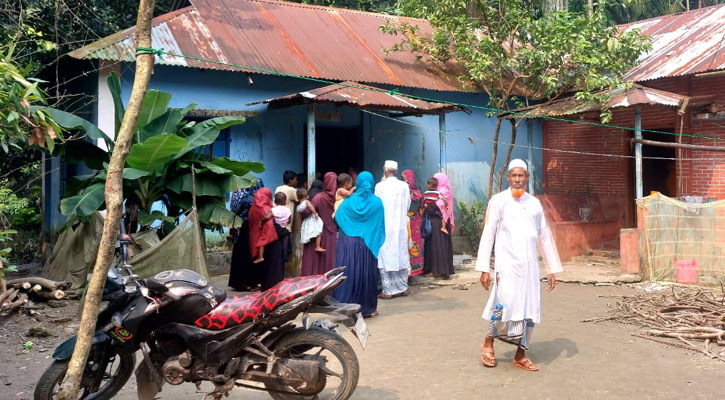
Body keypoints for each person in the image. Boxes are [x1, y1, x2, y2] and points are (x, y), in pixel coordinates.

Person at [476, 159, 563, 372]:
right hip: (506, 268)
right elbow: (488, 234)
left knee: (529, 310)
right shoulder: (498, 201)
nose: (517, 179)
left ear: (527, 178)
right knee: (503, 306)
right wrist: (484, 268)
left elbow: (545, 235)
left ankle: (520, 354)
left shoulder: (534, 203)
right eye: (513, 175)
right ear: (508, 178)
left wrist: (552, 268)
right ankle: (488, 342)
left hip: (530, 269)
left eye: (521, 175)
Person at [333, 171, 385, 318]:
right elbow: (379, 225)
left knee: (348, 273)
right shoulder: (377, 202)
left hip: (348, 243)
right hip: (367, 244)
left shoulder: (348, 202)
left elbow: (338, 217)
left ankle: (344, 308)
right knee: (367, 275)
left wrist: (351, 228)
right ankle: (368, 309)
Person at [374, 160, 411, 299]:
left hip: (385, 226)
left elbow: (377, 206)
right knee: (400, 254)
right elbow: (407, 204)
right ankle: (402, 287)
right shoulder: (404, 186)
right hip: (400, 226)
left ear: (385, 170)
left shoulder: (379, 186)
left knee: (385, 256)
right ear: (396, 171)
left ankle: (388, 290)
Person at [249, 188, 288, 291]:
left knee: (264, 267)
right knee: (274, 267)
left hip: (259, 241)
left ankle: (265, 288)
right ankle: (274, 290)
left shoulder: (253, 208)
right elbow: (272, 227)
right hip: (272, 241)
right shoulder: (266, 209)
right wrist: (285, 232)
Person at [228, 180, 264, 292]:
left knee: (239, 253)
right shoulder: (254, 194)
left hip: (239, 225)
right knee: (250, 253)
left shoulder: (236, 191)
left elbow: (233, 208)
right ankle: (251, 283)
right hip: (250, 225)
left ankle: (238, 283)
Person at [300, 172, 338, 276]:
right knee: (329, 260)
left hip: (317, 232)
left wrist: (300, 211)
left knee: (315, 260)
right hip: (331, 233)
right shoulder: (338, 198)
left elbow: (307, 211)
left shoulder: (319, 197)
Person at [423, 173, 455, 279]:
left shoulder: (443, 191)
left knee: (438, 246)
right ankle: (442, 269)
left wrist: (427, 205)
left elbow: (439, 205)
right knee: (441, 246)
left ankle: (439, 271)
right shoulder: (444, 191)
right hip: (442, 220)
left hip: (438, 221)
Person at [401, 169, 424, 276]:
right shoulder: (418, 193)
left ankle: (408, 271)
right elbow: (421, 208)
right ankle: (416, 268)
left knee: (407, 243)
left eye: (404, 178)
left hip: (406, 221)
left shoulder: (405, 191)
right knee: (415, 243)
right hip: (416, 221)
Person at [296, 188, 325, 252]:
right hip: (312, 219)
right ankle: (317, 246)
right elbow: (310, 207)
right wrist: (315, 213)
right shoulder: (306, 202)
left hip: (305, 221)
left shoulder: (298, 207)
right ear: (307, 196)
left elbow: (299, 217)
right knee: (319, 231)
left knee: (308, 233)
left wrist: (301, 225)